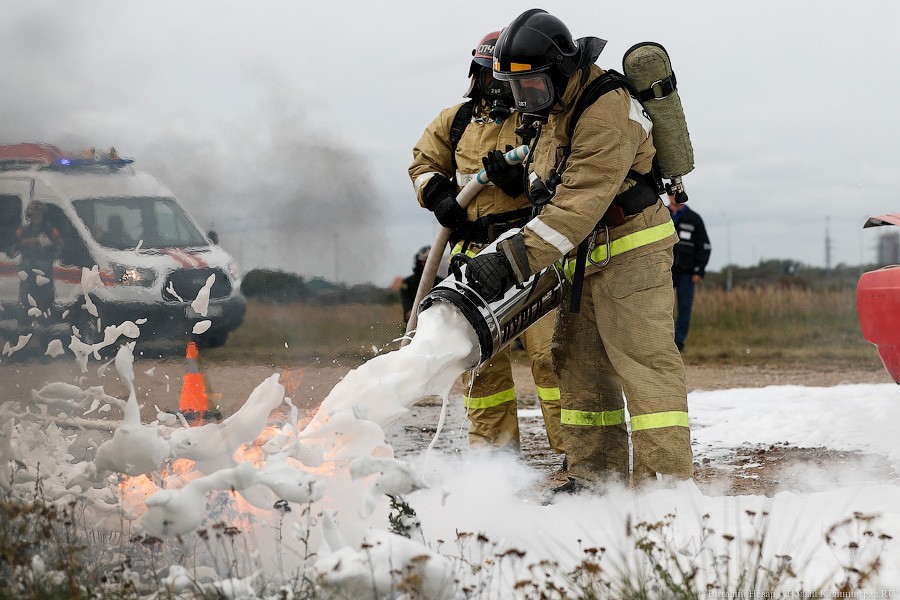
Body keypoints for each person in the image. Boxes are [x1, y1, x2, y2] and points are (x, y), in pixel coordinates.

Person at [463, 9, 692, 491]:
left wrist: (506, 263)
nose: (526, 100)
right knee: (579, 366)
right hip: (585, 257)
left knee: (645, 364)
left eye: (533, 87)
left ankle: (665, 491)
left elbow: (578, 203)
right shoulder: (553, 109)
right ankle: (595, 480)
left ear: (563, 69)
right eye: (517, 89)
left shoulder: (605, 106)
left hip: (634, 250)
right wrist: (519, 182)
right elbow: (550, 184)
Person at [409, 31, 565, 460]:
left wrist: (523, 182)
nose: (495, 85)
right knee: (478, 367)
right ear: (476, 73)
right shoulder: (455, 120)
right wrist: (439, 196)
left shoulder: (539, 118)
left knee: (552, 359)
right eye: (486, 74)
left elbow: (559, 169)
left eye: (502, 76)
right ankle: (494, 465)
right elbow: (422, 163)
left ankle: (577, 459)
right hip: (471, 257)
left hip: (529, 253)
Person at [668, 185, 711, 352]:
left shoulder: (694, 219)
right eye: (670, 194)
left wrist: (699, 271)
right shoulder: (661, 215)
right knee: (661, 307)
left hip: (687, 272)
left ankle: (678, 344)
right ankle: (663, 342)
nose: (673, 197)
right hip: (665, 271)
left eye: (676, 194)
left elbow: (705, 247)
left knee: (684, 308)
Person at [14, 201, 62, 324]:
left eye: (39, 214)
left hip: (44, 271)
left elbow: (59, 246)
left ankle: (45, 326)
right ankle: (25, 325)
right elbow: (15, 245)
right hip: (27, 270)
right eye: (33, 214)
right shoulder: (23, 230)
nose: (36, 217)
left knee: (45, 299)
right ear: (29, 216)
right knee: (25, 298)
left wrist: (46, 244)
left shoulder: (51, 230)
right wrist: (26, 243)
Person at [399, 245, 434, 325]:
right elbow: (408, 313)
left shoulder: (441, 282)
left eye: (428, 262)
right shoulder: (407, 283)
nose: (425, 265)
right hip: (413, 327)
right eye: (423, 262)